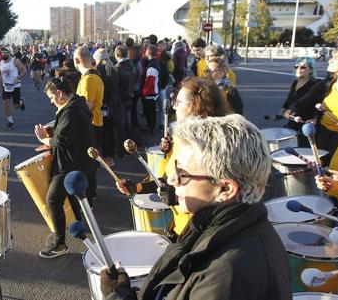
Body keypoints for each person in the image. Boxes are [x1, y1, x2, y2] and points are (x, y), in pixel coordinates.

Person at [103, 115, 292, 300]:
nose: (171, 180)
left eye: (183, 174)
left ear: (225, 188)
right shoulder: (215, 225)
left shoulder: (226, 275)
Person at [117, 77, 231, 237]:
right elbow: (166, 181)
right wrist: (137, 188)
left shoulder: (213, 147)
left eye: (179, 102)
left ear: (197, 107)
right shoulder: (181, 139)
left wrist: (175, 196)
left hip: (202, 232)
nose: (174, 106)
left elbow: (211, 194)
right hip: (181, 226)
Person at [33, 77, 94, 258]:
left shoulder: (72, 111)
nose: (52, 102)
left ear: (60, 94)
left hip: (69, 164)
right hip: (77, 161)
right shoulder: (76, 105)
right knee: (73, 196)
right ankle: (80, 226)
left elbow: (62, 140)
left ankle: (60, 243)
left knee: (53, 199)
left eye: (52, 97)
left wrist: (44, 138)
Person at [73, 46, 104, 202]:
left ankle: (89, 196)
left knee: (87, 163)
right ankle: (91, 193)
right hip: (95, 122)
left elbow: (87, 106)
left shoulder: (88, 79)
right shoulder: (94, 75)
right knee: (90, 162)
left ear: (77, 60)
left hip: (90, 124)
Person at [280, 57, 320, 146]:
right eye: (296, 66)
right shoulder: (295, 82)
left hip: (307, 123)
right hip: (294, 120)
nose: (298, 69)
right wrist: (283, 110)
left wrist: (315, 118)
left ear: (311, 70)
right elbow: (290, 99)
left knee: (305, 148)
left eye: (303, 67)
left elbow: (320, 102)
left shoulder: (316, 84)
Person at [0, 47, 26, 130]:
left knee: (16, 105)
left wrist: (18, 77)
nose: (3, 54)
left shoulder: (15, 61)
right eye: (2, 53)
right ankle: (10, 122)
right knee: (6, 102)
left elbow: (24, 70)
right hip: (6, 86)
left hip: (15, 85)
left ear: (9, 53)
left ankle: (21, 102)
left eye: (5, 52)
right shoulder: (1, 62)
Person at [141, 45, 160, 136]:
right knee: (152, 113)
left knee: (150, 114)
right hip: (154, 92)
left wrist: (144, 93)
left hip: (150, 94)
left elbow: (149, 82)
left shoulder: (151, 66)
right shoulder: (155, 63)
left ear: (149, 53)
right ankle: (151, 128)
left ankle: (151, 130)